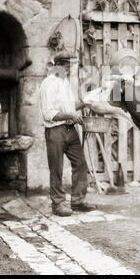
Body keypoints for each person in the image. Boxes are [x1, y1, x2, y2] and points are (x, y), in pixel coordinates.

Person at [39, 51, 96, 217]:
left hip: (70, 130)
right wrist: (71, 115)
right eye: (66, 66)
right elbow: (49, 114)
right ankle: (58, 205)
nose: (70, 69)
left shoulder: (64, 83)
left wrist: (86, 102)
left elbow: (70, 107)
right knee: (56, 169)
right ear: (57, 66)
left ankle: (78, 201)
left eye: (70, 66)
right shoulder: (48, 84)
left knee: (80, 163)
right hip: (55, 131)